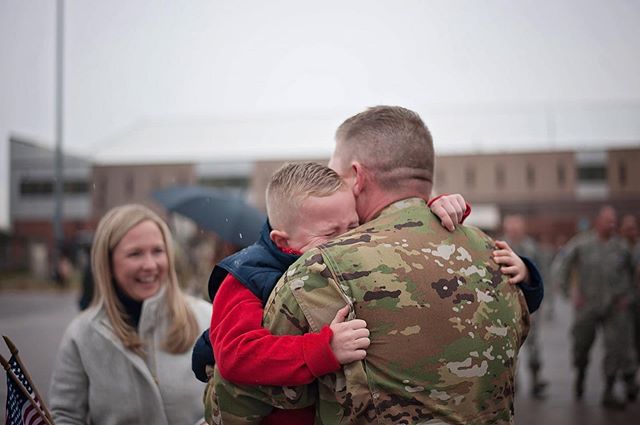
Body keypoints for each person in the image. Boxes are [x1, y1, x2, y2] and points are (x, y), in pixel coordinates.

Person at [210, 106, 538, 424]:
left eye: (335, 174)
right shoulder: (489, 251)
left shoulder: (324, 269)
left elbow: (235, 402)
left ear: (356, 177)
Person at [49, 204, 212, 425]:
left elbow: (231, 400)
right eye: (135, 254)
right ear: (108, 263)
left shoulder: (207, 318)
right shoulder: (80, 335)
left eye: (157, 251)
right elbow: (66, 417)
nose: (149, 265)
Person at [556, 206, 638, 408]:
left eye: (613, 221)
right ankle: (580, 375)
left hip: (613, 306)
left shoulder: (621, 248)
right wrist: (569, 292)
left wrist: (628, 296)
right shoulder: (582, 244)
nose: (611, 224)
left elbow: (633, 274)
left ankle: (609, 390)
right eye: (607, 220)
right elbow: (562, 265)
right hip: (588, 306)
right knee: (581, 345)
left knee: (614, 347)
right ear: (598, 222)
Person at [501, 214, 549, 398]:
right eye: (511, 227)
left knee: (535, 344)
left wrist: (546, 300)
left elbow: (542, 275)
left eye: (517, 227)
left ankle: (536, 380)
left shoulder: (531, 247)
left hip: (530, 305)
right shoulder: (498, 246)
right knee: (510, 345)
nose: (514, 230)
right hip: (507, 305)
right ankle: (513, 383)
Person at [620, 214, 640, 375]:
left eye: (632, 228)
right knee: (625, 343)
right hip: (626, 304)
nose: (630, 232)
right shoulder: (619, 248)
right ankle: (630, 379)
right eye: (627, 228)